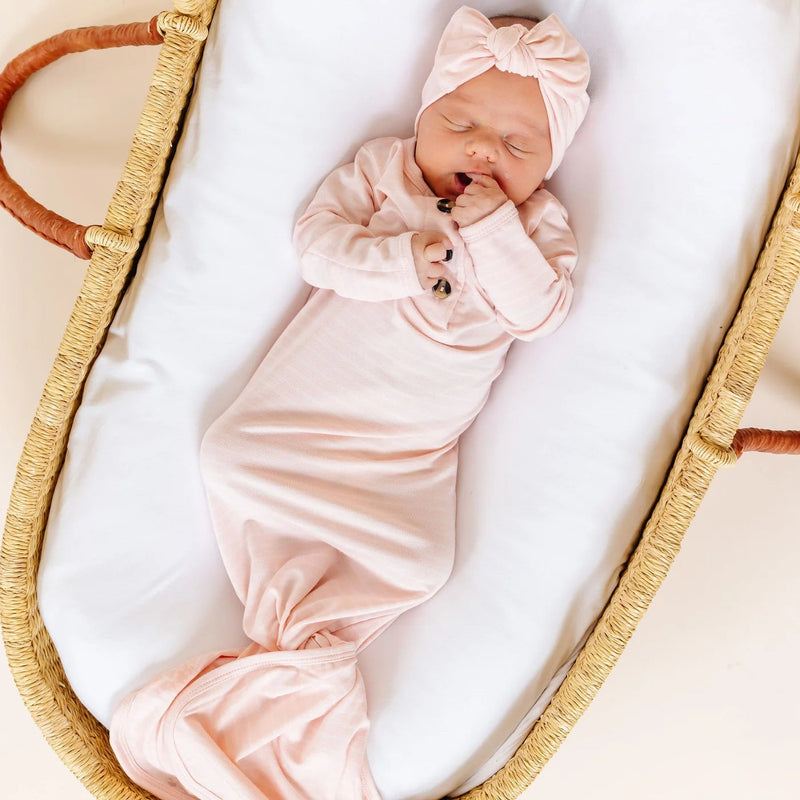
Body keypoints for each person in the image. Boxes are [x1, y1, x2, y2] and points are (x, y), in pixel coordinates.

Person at [109, 8, 590, 800]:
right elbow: (317, 246)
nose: (481, 150)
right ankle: (294, 659)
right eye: (460, 124)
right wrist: (399, 259)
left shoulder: (538, 226)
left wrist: (495, 231)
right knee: (232, 458)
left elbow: (539, 312)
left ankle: (298, 665)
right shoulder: (382, 173)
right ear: (423, 116)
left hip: (405, 455)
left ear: (550, 163)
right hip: (302, 419)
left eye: (516, 146)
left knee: (419, 559)